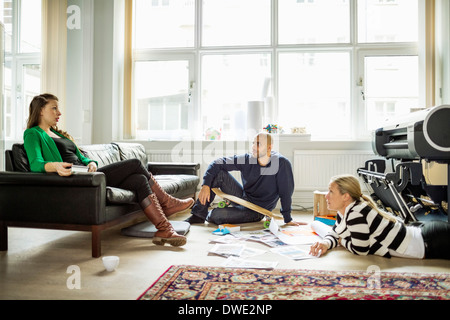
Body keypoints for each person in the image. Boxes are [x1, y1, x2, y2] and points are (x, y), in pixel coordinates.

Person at [23, 93, 194, 247]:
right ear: (40, 111)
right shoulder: (33, 134)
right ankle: (167, 202)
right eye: (54, 108)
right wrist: (56, 166)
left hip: (88, 173)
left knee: (139, 180)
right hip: (76, 179)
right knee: (134, 163)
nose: (59, 113)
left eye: (58, 109)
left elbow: (83, 158)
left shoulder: (60, 134)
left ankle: (164, 229)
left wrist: (92, 163)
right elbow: (35, 164)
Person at [309, 174, 450, 260]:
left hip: (430, 242)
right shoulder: (345, 211)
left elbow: (360, 249)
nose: (326, 195)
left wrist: (341, 240)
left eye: (331, 191)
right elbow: (334, 233)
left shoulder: (356, 212)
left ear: (346, 196)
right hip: (424, 235)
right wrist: (326, 243)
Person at [185, 132, 305, 226]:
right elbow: (217, 163)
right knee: (219, 174)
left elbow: (286, 192)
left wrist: (287, 219)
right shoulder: (248, 158)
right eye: (253, 143)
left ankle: (226, 213)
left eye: (258, 144)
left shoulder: (281, 163)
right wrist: (205, 185)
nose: (253, 147)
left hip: (257, 210)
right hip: (243, 197)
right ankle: (198, 215)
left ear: (269, 148)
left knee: (215, 216)